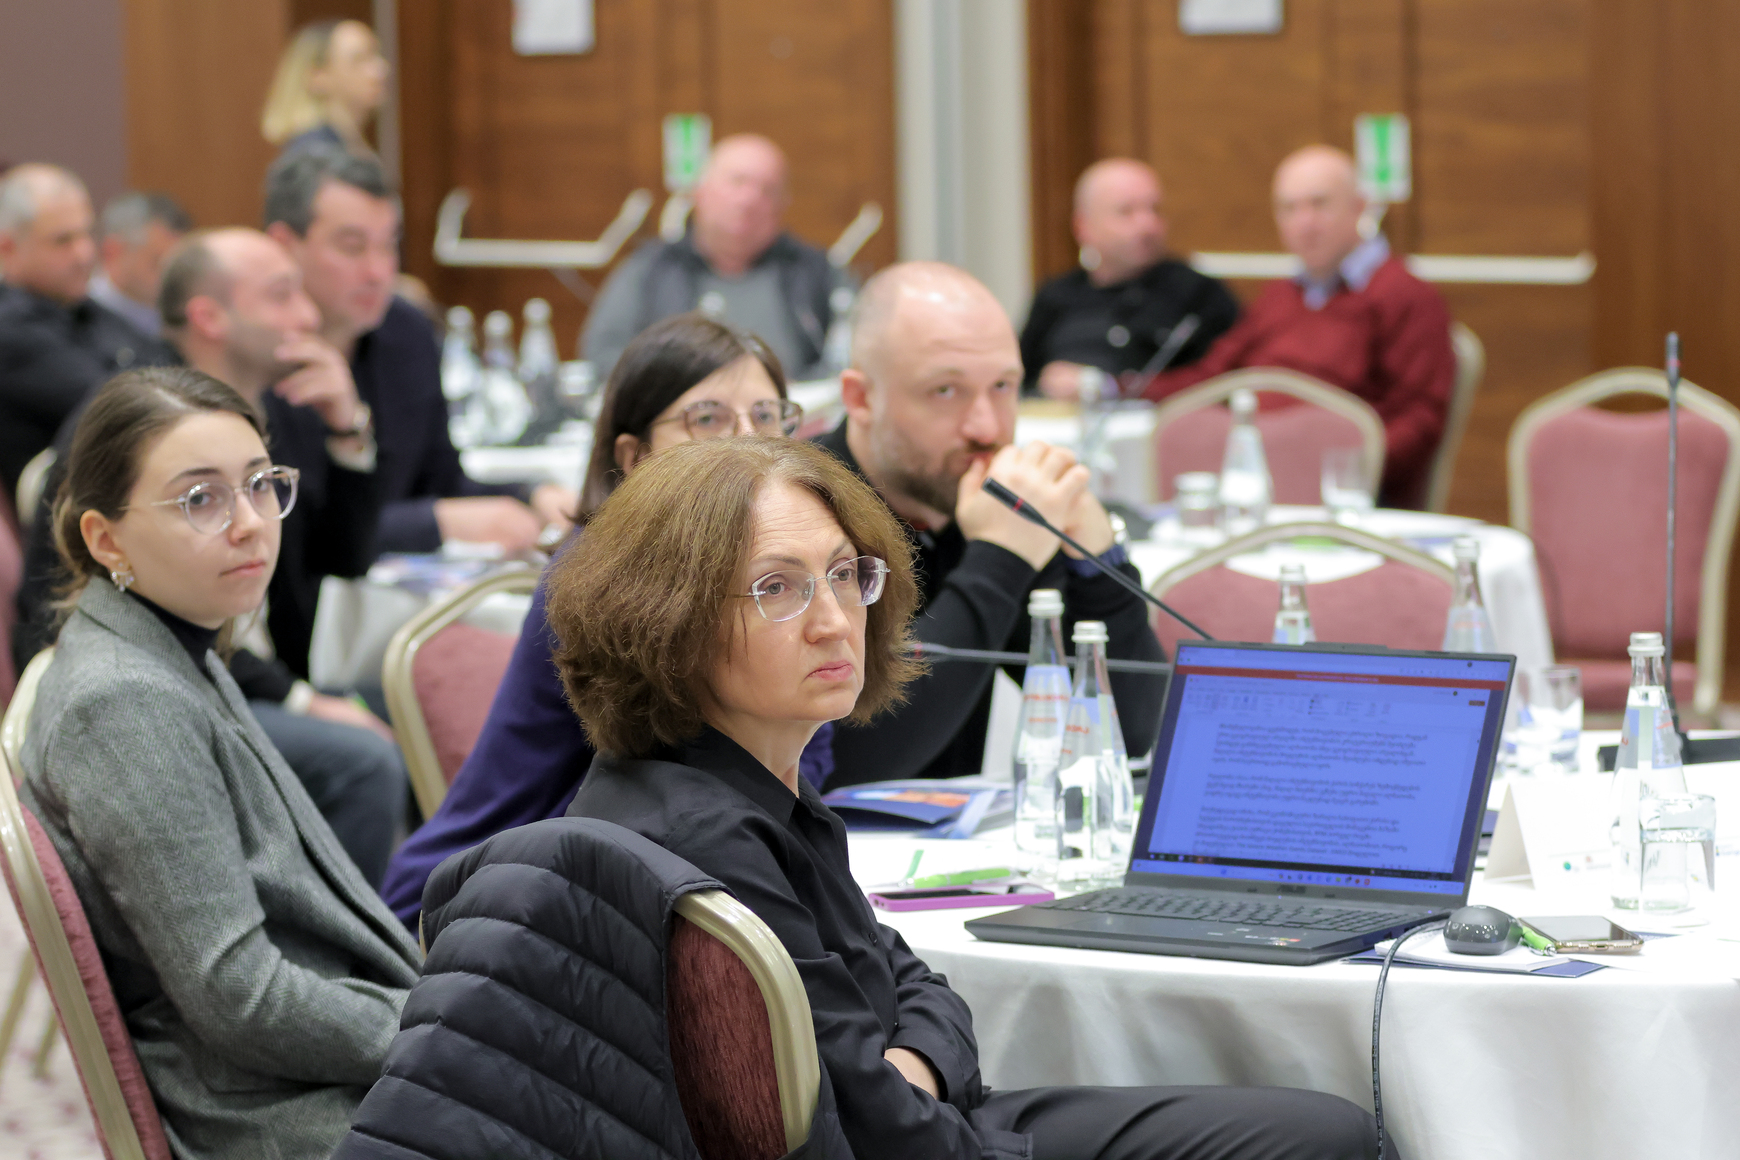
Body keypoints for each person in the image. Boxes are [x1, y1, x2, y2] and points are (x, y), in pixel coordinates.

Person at [332, 435, 1381, 1160]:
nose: (836, 619)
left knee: (1310, 1125)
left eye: (846, 575)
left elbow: (915, 983)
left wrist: (909, 1061)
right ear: (668, 619)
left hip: (940, 1122)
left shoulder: (737, 783)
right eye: (778, 588)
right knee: (1321, 1134)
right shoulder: (707, 838)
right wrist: (912, 1076)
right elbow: (882, 1131)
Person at [18, 367, 420, 1160]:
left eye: (261, 485)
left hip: (290, 1066)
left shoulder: (169, 639)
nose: (251, 525)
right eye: (201, 499)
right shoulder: (125, 701)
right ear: (106, 539)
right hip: (269, 1111)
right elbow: (242, 997)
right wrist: (432, 1033)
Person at [377, 313, 826, 927]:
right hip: (491, 907)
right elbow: (694, 793)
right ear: (635, 455)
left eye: (768, 416)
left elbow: (800, 755)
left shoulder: (771, 570)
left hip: (631, 884)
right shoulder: (603, 582)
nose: (750, 440)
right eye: (709, 419)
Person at [13, 228, 407, 885]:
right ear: (210, 317)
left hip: (246, 662)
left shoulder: (282, 405)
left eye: (260, 484)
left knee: (407, 698)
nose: (308, 316)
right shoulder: (128, 424)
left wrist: (347, 429)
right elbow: (85, 610)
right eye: (281, 295)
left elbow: (344, 558)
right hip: (176, 672)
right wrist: (298, 699)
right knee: (362, 760)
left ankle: (403, 910)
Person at [822, 260, 1167, 785]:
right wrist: (1000, 560)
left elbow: (1131, 733)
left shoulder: (989, 504)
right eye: (945, 391)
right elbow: (852, 760)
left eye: (1004, 386)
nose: (985, 427)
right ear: (861, 398)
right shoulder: (799, 516)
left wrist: (1098, 559)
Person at [263, 146, 578, 554]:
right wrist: (434, 522)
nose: (378, 272)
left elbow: (443, 482)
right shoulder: (258, 357)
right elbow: (294, 535)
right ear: (285, 245)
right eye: (353, 247)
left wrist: (532, 493)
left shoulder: (406, 330)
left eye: (388, 246)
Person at [1142, 145, 1455, 509]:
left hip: (1340, 497)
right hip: (1251, 487)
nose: (1305, 224)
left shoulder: (1405, 295)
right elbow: (1211, 377)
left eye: (1319, 204)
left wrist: (1339, 465)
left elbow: (1420, 419)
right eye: (1289, 209)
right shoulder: (1278, 296)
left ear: (1359, 207)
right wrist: (1122, 389)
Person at [582, 133, 843, 380]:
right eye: (738, 182)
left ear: (782, 205)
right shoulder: (651, 269)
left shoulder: (816, 271)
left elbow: (850, 348)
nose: (750, 199)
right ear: (700, 192)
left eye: (768, 189)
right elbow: (603, 352)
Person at [0, 164, 174, 499]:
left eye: (86, 234)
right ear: (8, 247)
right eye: (62, 240)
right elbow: (123, 405)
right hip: (68, 510)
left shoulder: (80, 306)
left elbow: (168, 365)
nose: (84, 253)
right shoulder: (9, 330)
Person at [1022, 158, 1239, 398]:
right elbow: (1019, 377)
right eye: (1126, 211)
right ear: (1083, 227)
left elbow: (1227, 377)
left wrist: (1106, 387)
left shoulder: (1199, 294)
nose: (1148, 225)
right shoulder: (1055, 296)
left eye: (1155, 210)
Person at [261, 18, 389, 159]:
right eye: (359, 60)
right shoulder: (314, 156)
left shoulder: (346, 145)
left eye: (376, 55)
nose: (380, 70)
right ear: (317, 75)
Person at [86, 191, 193, 338]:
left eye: (178, 266)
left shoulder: (182, 318)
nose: (172, 278)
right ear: (112, 253)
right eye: (160, 263)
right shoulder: (78, 315)